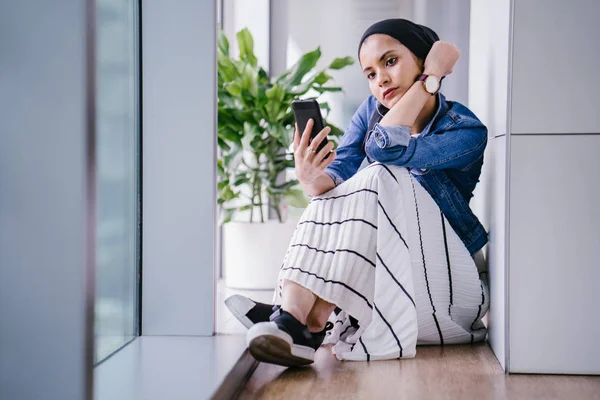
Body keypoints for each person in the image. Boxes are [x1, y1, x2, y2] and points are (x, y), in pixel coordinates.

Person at [225, 18, 489, 367]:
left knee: (381, 176)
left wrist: (429, 82)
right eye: (370, 73)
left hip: (452, 276)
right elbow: (334, 177)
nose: (379, 79)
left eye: (390, 61)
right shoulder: (371, 111)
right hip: (400, 264)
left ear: (425, 62)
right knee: (334, 193)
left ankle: (305, 319)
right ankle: (297, 316)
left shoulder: (466, 130)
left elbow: (385, 149)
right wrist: (308, 175)